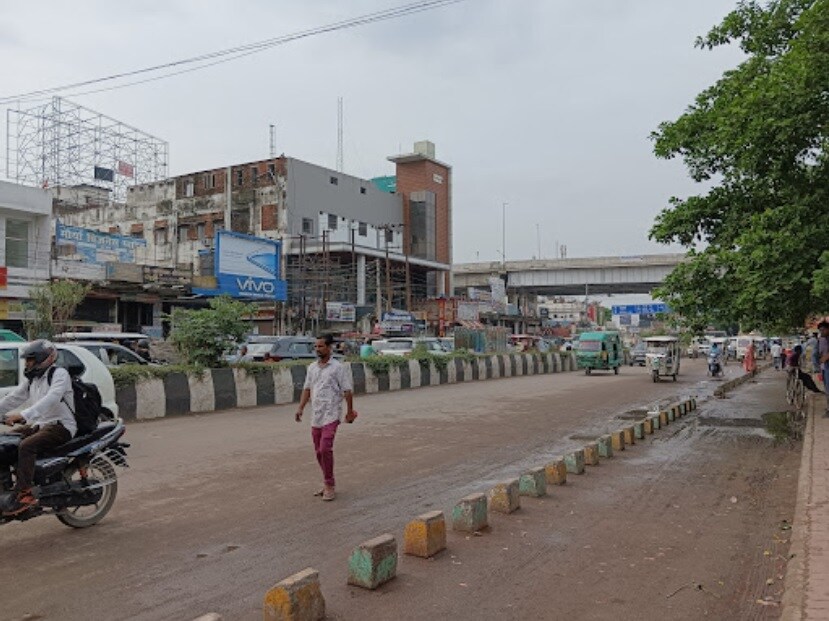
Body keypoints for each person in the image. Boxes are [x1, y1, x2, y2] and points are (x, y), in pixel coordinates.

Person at [0, 340, 75, 516]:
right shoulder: (33, 379)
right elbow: (13, 398)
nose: (27, 364)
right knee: (7, 442)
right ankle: (8, 483)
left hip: (61, 426)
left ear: (45, 358)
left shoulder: (59, 374)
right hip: (40, 425)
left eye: (31, 360)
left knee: (27, 446)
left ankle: (24, 494)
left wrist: (24, 415)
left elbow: (52, 398)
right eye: (27, 360)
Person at [295, 334, 355, 501]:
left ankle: (329, 485)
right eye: (316, 347)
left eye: (320, 346)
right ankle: (327, 482)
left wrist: (349, 412)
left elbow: (347, 391)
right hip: (317, 414)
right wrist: (300, 408)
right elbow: (307, 389)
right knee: (318, 452)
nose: (317, 349)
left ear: (329, 348)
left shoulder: (337, 368)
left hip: (331, 414)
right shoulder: (312, 368)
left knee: (325, 449)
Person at [818, 321, 829, 415]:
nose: (821, 332)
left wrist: (826, 357)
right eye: (820, 330)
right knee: (826, 388)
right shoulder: (822, 339)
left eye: (823, 330)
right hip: (825, 367)